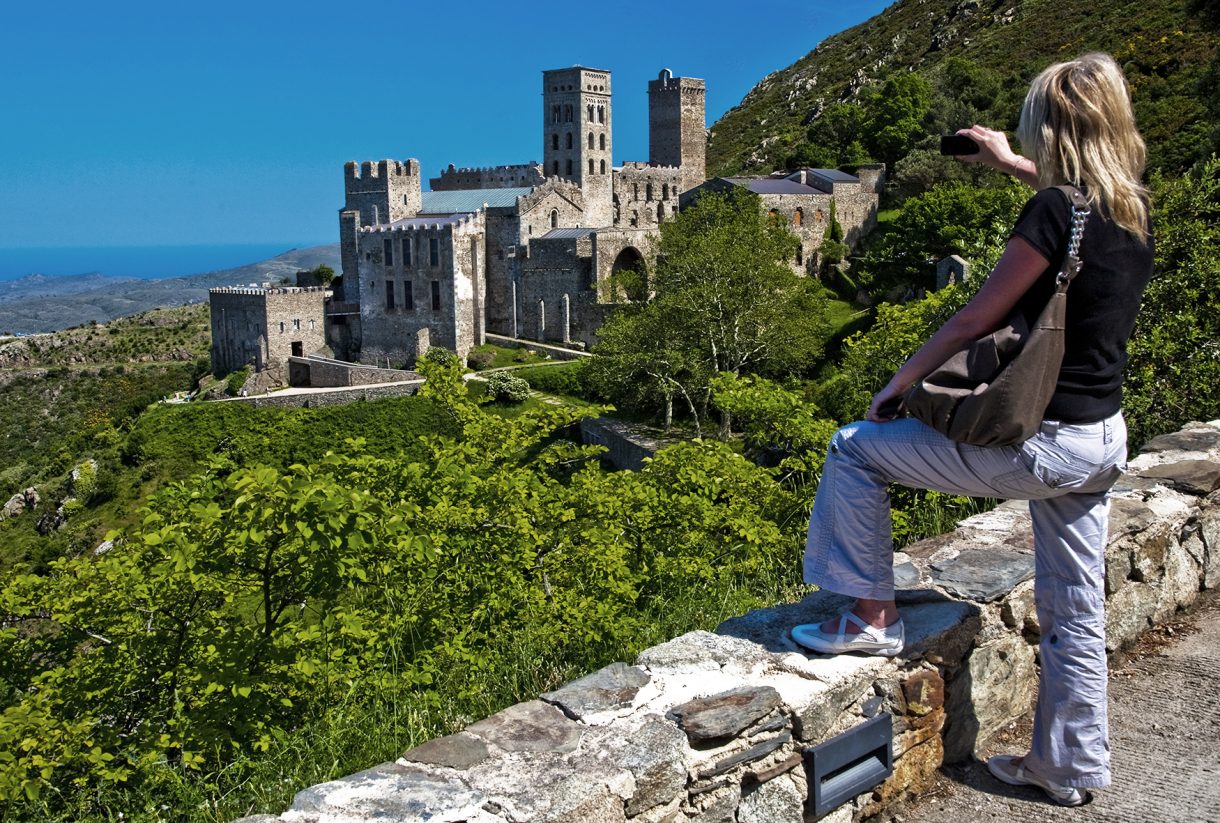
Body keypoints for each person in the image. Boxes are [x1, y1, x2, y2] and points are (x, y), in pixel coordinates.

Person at [791, 52, 1154, 807]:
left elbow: (976, 315)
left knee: (854, 453)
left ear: (1050, 127)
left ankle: (868, 615)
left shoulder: (1055, 213)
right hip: (1102, 441)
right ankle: (1070, 765)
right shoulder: (1128, 208)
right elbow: (1072, 207)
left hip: (1044, 442)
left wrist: (895, 384)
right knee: (1074, 606)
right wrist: (1011, 163)